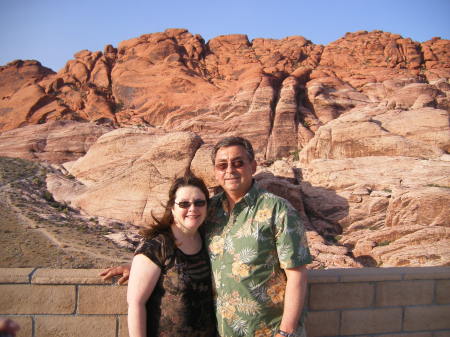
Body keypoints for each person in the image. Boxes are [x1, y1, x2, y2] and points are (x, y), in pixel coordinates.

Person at [101, 136, 312, 337]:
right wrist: (141, 266)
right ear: (216, 172)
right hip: (222, 331)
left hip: (267, 329)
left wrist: (286, 331)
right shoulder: (211, 210)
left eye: (238, 162)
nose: (230, 170)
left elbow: (297, 274)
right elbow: (182, 241)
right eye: (222, 165)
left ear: (253, 166)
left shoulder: (278, 210)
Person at [126, 173, 216, 337]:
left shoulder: (208, 239)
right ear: (172, 208)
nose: (193, 209)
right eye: (184, 204)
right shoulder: (156, 246)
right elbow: (136, 304)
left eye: (199, 203)